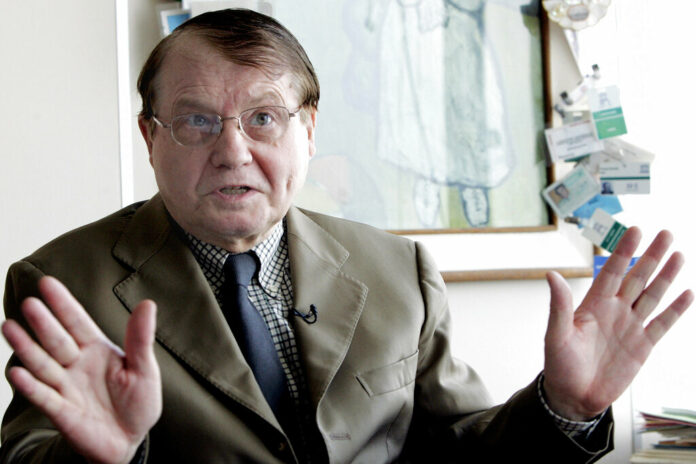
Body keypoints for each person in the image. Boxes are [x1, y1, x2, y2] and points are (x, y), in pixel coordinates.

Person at [0, 8, 692, 464]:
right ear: (152, 138)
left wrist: (563, 407)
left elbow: (459, 450)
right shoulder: (63, 283)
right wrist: (102, 459)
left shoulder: (397, 269)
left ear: (309, 129)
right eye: (197, 121)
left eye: (264, 118)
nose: (234, 151)